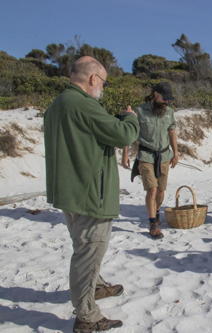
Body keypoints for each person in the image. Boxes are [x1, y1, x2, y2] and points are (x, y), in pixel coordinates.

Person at [44, 56, 139, 332]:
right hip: (89, 193)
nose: (104, 88)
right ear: (93, 79)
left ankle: (95, 286)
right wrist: (131, 118)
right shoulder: (84, 104)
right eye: (104, 82)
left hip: (70, 190)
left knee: (84, 247)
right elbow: (123, 136)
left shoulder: (58, 104)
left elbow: (89, 134)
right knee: (89, 250)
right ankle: (87, 316)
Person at [121, 82, 179, 239]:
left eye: (168, 99)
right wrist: (125, 154)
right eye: (164, 98)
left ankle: (156, 211)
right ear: (155, 94)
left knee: (161, 190)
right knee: (152, 189)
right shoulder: (139, 111)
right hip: (146, 156)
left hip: (165, 156)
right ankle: (153, 224)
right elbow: (129, 133)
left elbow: (172, 132)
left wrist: (176, 153)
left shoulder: (170, 112)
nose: (167, 101)